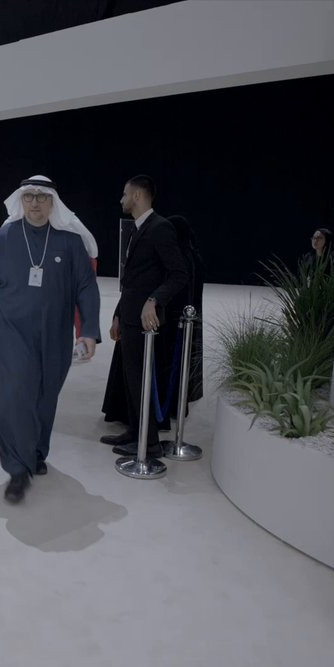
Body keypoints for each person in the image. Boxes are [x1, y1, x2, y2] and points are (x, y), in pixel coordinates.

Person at [0, 175, 101, 503]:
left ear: (53, 202)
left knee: (45, 395)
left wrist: (88, 331)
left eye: (42, 197)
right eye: (28, 197)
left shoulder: (70, 242)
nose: (35, 203)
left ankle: (37, 451)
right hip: (11, 332)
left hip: (55, 333)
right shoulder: (2, 239)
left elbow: (86, 287)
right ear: (20, 200)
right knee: (16, 395)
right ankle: (17, 468)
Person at [105, 176, 189, 458]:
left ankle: (149, 443)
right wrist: (118, 315)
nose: (122, 199)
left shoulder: (160, 227)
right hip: (129, 318)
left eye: (124, 194)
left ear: (138, 196)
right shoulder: (138, 228)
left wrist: (154, 300)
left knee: (141, 380)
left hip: (145, 322)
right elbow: (132, 281)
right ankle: (135, 432)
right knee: (131, 380)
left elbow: (178, 274)